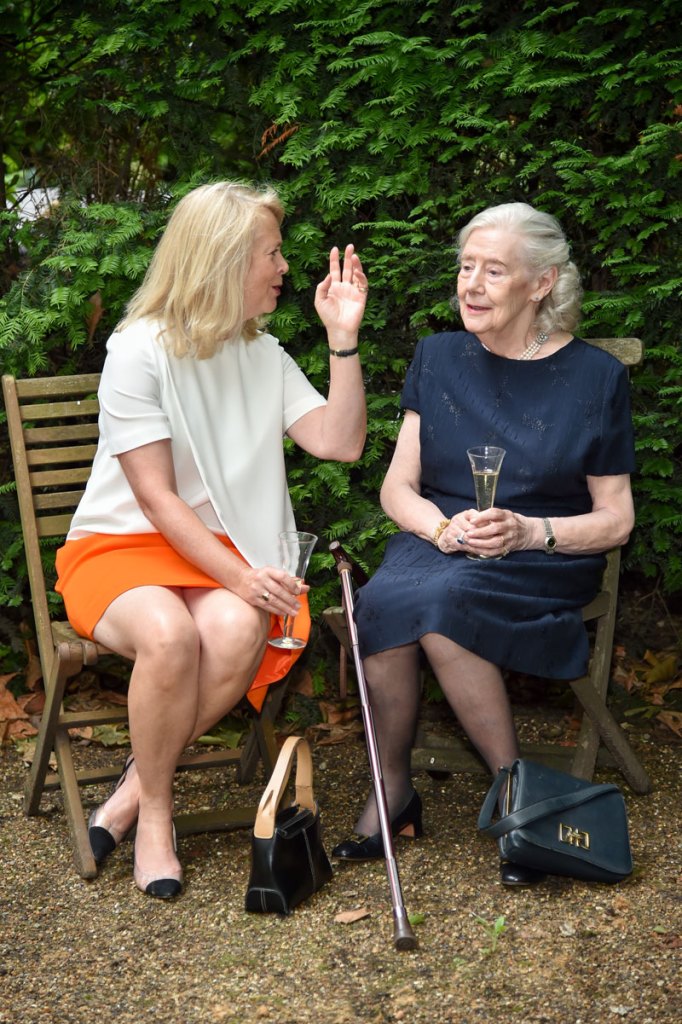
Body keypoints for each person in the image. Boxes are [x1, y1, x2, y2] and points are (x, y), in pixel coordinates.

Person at [55, 181, 368, 899]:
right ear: (223, 261)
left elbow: (340, 442)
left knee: (236, 630)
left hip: (214, 554)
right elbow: (158, 499)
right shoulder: (139, 350)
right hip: (120, 545)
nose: (285, 268)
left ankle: (129, 792)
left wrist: (342, 341)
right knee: (170, 635)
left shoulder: (262, 353)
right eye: (272, 253)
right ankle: (157, 816)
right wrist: (236, 572)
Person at [332, 201, 635, 886]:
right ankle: (393, 792)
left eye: (494, 271)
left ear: (541, 283)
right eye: (466, 267)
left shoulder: (596, 378)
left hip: (544, 552)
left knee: (443, 605)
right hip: (441, 539)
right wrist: (442, 528)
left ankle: (517, 804)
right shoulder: (438, 357)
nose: (470, 284)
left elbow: (615, 520)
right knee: (384, 598)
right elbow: (396, 489)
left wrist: (532, 531)